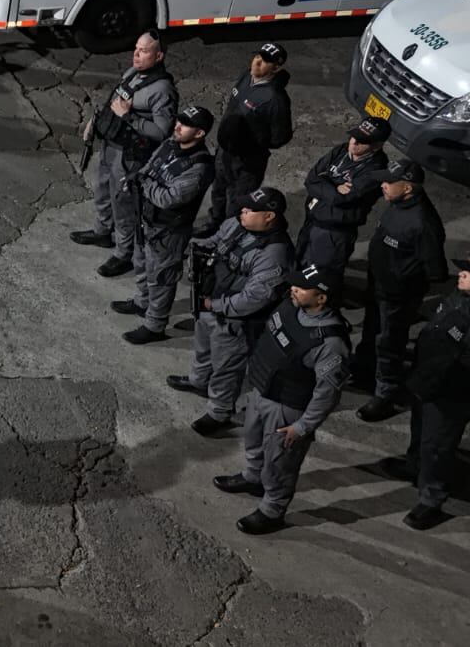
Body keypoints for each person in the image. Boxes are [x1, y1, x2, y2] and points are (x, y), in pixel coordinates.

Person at [213, 264, 349, 535]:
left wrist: (303, 427)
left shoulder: (331, 343)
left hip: (287, 407)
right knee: (253, 440)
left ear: (321, 298)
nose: (293, 289)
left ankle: (272, 510)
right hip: (261, 390)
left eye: (301, 288)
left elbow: (327, 393)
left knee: (280, 462)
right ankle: (253, 477)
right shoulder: (290, 306)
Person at [169, 187, 292, 435]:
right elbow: (216, 241)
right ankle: (199, 380)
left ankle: (219, 412)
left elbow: (253, 299)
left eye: (250, 209)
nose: (242, 211)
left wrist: (214, 306)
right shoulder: (238, 224)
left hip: (235, 319)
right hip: (210, 299)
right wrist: (195, 248)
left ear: (269, 216)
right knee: (203, 346)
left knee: (226, 366)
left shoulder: (274, 253)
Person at [70, 31, 179, 278]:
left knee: (123, 203)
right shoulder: (132, 73)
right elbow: (114, 101)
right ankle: (102, 231)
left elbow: (162, 132)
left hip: (131, 155)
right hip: (111, 143)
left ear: (159, 56)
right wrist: (95, 122)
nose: (136, 54)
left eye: (144, 51)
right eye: (136, 48)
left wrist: (129, 117)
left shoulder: (162, 90)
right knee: (101, 188)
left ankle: (124, 253)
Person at [381, 256, 470, 530]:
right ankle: (414, 465)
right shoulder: (457, 296)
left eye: (468, 273)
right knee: (420, 430)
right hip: (425, 380)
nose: (461, 274)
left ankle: (432, 499)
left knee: (437, 447)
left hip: (450, 393)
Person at [113, 106, 216, 344]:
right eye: (178, 121)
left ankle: (155, 325)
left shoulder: (199, 167)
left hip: (168, 232)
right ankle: (142, 303)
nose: (177, 126)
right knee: (140, 262)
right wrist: (140, 177)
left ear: (199, 133)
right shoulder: (171, 143)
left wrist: (144, 183)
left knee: (161, 278)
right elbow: (149, 166)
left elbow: (168, 199)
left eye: (185, 124)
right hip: (147, 219)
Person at [355, 160, 447, 422]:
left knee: (389, 344)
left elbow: (436, 271)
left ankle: (385, 396)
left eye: (389, 181)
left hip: (396, 296)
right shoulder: (397, 205)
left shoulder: (422, 223)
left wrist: (403, 280)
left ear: (407, 188)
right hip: (379, 287)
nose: (383, 185)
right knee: (372, 332)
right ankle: (364, 371)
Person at [201, 44, 292, 235]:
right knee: (218, 190)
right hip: (224, 152)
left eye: (265, 60)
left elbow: (280, 137)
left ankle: (226, 235)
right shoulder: (245, 77)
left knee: (237, 202)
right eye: (257, 56)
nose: (257, 62)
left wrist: (251, 143)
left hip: (247, 162)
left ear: (276, 68)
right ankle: (213, 223)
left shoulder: (275, 99)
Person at [294, 115, 390, 279]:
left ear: (377, 145)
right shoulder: (341, 150)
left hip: (334, 231)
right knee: (299, 262)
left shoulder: (376, 169)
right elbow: (311, 179)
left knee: (320, 275)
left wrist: (324, 181)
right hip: (312, 218)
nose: (354, 142)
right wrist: (334, 187)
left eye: (362, 141)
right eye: (354, 136)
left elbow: (341, 199)